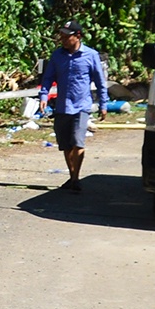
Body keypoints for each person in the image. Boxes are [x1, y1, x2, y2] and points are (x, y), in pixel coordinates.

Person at [38, 20, 109, 188]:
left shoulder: (91, 55)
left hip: (81, 106)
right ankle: (72, 175)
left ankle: (76, 178)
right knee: (66, 145)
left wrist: (103, 104)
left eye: (66, 36)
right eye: (61, 35)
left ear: (77, 36)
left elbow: (100, 81)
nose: (62, 39)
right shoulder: (57, 56)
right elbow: (47, 78)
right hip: (62, 106)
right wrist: (43, 96)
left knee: (78, 142)